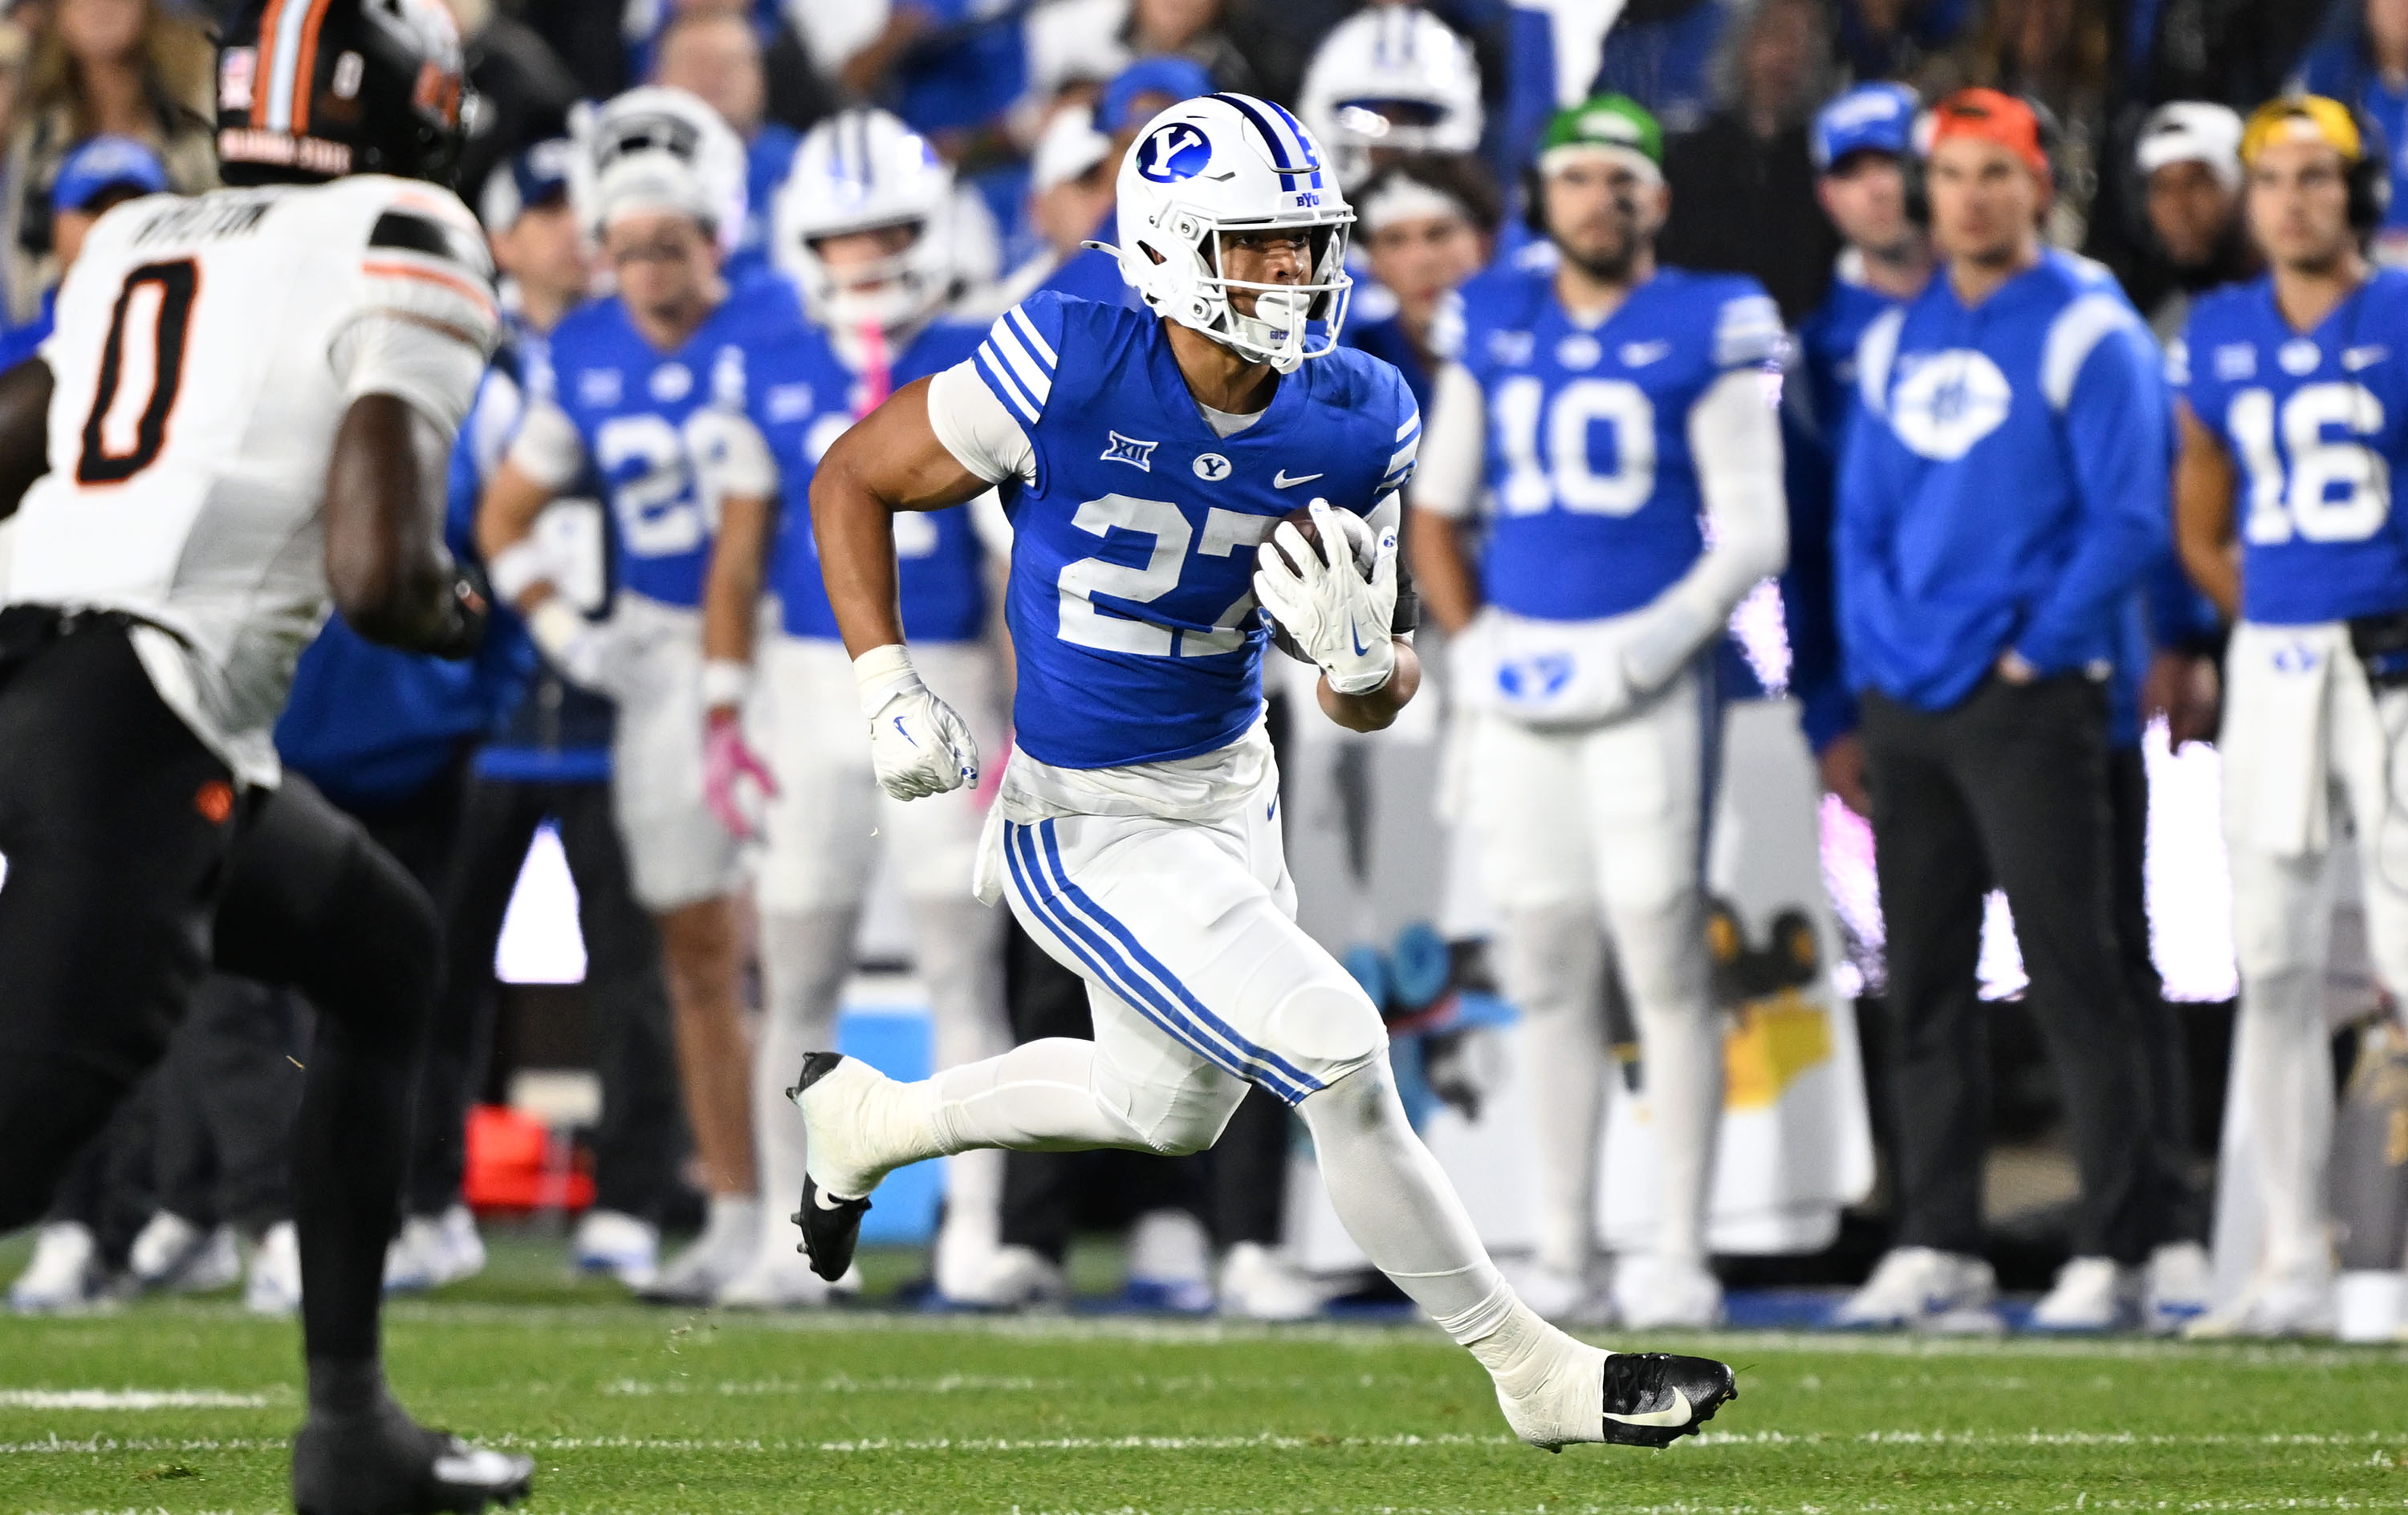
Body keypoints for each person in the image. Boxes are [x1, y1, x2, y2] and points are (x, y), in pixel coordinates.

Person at [784, 90, 1736, 1450]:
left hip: (1234, 789)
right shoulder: (1069, 356)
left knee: (1159, 1107)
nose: (1298, 273)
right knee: (1338, 1047)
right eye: (1263, 244)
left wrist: (1360, 669)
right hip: (1084, 819)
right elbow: (848, 477)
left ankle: (864, 1119)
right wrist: (885, 679)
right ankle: (1538, 1369)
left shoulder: (1360, 414)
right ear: (1171, 248)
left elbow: (1378, 684)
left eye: (1308, 241)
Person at [0, 0, 535, 1504]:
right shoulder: (409, 227)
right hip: (135, 710)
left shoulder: (142, 232)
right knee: (22, 1137)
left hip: (49, 661)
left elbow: (19, 434)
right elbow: (376, 568)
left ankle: (353, 1428)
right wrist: (450, 610)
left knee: (379, 946)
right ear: (419, 103)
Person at [1409, 95, 1788, 1330]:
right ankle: (1563, 1251)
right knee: (1549, 965)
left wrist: (1650, 649)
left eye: (1621, 179)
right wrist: (1478, 646)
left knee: (1664, 960)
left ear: (1656, 201)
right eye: (1576, 177)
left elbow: (1758, 529)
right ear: (1544, 197)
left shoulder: (1707, 318)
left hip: (1647, 683)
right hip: (1523, 682)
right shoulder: (1497, 315)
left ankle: (1677, 1250)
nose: (1598, 199)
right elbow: (1438, 507)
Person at [1828, 89, 2174, 1334]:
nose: (1970, 196)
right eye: (1952, 174)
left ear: (2038, 185)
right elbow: (1859, 522)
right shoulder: (1893, 334)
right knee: (1922, 982)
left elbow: (2133, 514)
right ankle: (1938, 1241)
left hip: (2029, 701)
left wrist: (2038, 654)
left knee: (2079, 975)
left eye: (1994, 172)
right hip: (1913, 697)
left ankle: (2122, 1246)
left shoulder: (2091, 326)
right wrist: (1883, 657)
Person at [694, 106, 1013, 1307]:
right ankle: (798, 1240)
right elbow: (739, 551)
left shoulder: (984, 348)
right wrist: (723, 706)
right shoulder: (770, 356)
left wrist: (1021, 708)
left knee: (958, 965)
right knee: (798, 969)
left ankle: (971, 1234)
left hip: (949, 674)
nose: (867, 253)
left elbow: (1006, 562)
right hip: (802, 681)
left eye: (889, 227)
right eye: (844, 233)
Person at [478, 85, 781, 1305]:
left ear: (719, 234)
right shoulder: (585, 349)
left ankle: (815, 1206)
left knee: (792, 940)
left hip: (792, 637)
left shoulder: (779, 318)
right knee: (697, 952)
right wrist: (565, 633)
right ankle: (735, 1205)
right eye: (630, 245)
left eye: (675, 242)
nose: (651, 269)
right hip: (661, 651)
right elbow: (507, 516)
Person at [429, 140, 694, 1291]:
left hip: (612, 715)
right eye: (542, 212)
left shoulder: (638, 350)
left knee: (633, 973)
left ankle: (631, 1195)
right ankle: (420, 1197)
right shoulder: (462, 361)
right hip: (483, 712)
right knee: (432, 966)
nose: (569, 231)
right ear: (499, 238)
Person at [2170, 96, 2408, 1338]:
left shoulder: (2405, 311)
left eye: (2318, 177)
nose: (2295, 200)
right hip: (2280, 665)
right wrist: (2271, 625)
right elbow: (2200, 522)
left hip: (2399, 667)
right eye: (2273, 180)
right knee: (2269, 957)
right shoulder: (2216, 331)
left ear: (2356, 192)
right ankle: (2291, 1261)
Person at [1789, 83, 1930, 806]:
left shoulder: (2025, 307)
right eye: (1852, 171)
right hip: (1886, 685)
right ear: (1825, 196)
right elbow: (1806, 552)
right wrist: (1827, 717)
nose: (1878, 189)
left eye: (1894, 163)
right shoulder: (1812, 361)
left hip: (2030, 677)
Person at [0, 0, 215, 327]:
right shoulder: (37, 124)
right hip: (66, 325)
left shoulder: (203, 87)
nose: (100, 7)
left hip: (192, 306)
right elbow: (21, 266)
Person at [1656, 0, 1840, 323]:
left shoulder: (1828, 162)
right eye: (1777, 35)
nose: (1792, 54)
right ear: (1741, 45)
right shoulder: (1688, 160)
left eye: (1808, 40)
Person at [0, 133, 169, 381]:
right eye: (93, 208)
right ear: (48, 226)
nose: (113, 224)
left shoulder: (194, 348)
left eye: (133, 209)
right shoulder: (10, 358)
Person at [1342, 153, 1500, 418]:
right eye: (1395, 241)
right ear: (1371, 262)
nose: (1421, 261)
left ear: (1484, 243)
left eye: (1439, 234)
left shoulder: (1526, 350)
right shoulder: (1352, 367)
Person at [650, 7, 799, 281]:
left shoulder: (800, 165)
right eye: (696, 64)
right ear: (657, 79)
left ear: (761, 79)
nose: (713, 77)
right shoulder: (636, 173)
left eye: (730, 63)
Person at [1296, 6, 1484, 194]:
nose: (1389, 134)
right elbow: (1317, 112)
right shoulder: (1345, 39)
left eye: (1409, 117)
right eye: (1371, 115)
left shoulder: (1440, 39)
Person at [2130, 102, 2259, 343]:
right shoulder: (2154, 328)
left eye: (2196, 183)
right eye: (2162, 187)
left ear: (2243, 187)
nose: (2178, 207)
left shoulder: (2302, 304)